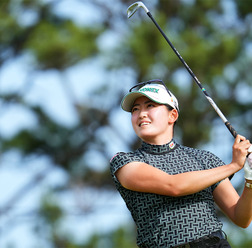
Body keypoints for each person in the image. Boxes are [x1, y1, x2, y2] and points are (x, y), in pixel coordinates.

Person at [110, 79, 252, 248]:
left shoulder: (204, 158)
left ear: (173, 115)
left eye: (150, 106)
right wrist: (234, 166)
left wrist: (249, 179)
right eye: (135, 109)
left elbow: (241, 217)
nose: (141, 114)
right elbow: (174, 186)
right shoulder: (124, 162)